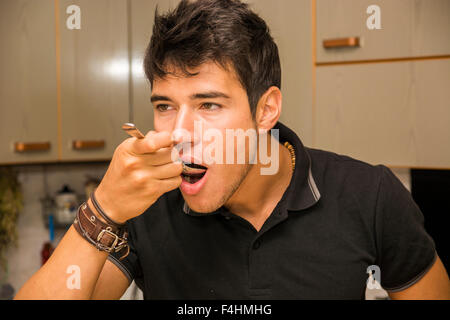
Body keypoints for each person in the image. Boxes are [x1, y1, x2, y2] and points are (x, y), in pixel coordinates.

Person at [15, 0, 449, 300]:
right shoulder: (145, 207)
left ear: (266, 109)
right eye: (165, 106)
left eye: (208, 104)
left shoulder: (370, 196)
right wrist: (103, 207)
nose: (180, 132)